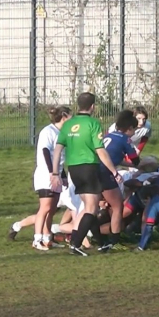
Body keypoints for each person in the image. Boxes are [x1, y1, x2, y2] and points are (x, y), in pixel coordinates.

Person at [50, 92, 121, 257]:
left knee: (90, 207)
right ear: (93, 106)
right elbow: (100, 150)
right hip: (89, 166)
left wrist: (55, 172)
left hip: (74, 169)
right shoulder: (93, 124)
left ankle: (101, 243)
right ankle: (75, 243)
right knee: (91, 208)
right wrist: (113, 171)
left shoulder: (68, 124)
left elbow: (58, 149)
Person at [29, 106, 72, 251]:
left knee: (52, 208)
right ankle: (37, 239)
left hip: (57, 175)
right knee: (45, 207)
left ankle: (47, 238)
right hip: (46, 175)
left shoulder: (62, 133)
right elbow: (45, 151)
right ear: (64, 116)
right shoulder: (48, 131)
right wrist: (52, 173)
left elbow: (60, 158)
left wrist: (63, 175)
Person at [98, 109, 141, 252]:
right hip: (105, 173)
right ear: (129, 128)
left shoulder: (109, 135)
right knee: (117, 206)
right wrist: (140, 164)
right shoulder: (125, 139)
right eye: (134, 130)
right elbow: (135, 160)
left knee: (90, 208)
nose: (134, 133)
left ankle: (77, 235)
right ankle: (114, 241)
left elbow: (113, 156)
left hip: (92, 170)